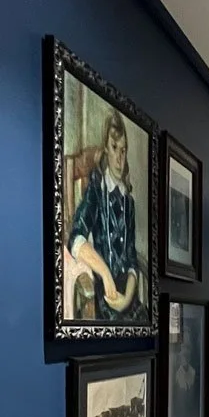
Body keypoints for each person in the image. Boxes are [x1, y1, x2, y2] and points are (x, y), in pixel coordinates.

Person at [69, 109, 146, 321]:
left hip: (127, 296)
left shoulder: (128, 201)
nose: (120, 158)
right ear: (106, 149)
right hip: (105, 294)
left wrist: (128, 297)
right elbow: (76, 239)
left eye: (124, 150)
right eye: (115, 148)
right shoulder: (96, 188)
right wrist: (104, 273)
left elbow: (131, 258)